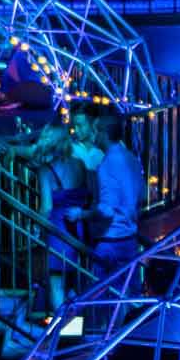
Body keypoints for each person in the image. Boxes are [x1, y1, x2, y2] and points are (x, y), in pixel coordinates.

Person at [33, 124, 89, 316]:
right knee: (73, 283)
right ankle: (76, 325)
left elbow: (46, 207)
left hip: (58, 230)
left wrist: (36, 226)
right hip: (77, 228)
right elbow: (89, 194)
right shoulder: (79, 165)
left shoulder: (45, 170)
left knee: (56, 282)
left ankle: (60, 328)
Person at [83, 110, 144, 282]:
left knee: (100, 294)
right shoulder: (132, 159)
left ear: (104, 133)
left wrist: (81, 214)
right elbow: (142, 196)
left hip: (110, 241)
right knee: (128, 292)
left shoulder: (106, 164)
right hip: (130, 239)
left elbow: (106, 210)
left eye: (95, 131)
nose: (93, 135)